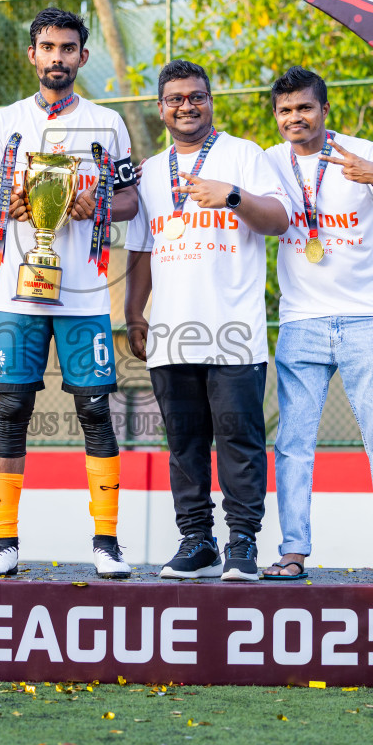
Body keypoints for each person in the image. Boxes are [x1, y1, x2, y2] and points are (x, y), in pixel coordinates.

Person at [0, 7, 138, 578]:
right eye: (47, 47)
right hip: (19, 293)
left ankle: (106, 542)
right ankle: (4, 544)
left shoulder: (108, 123)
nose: (57, 57)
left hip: (86, 296)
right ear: (32, 55)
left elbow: (130, 202)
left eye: (68, 48)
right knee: (11, 410)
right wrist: (7, 204)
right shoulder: (5, 121)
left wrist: (99, 209)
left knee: (95, 412)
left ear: (83, 57)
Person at [263, 65, 373, 580]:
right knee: (292, 445)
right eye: (286, 110)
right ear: (276, 116)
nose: (296, 117)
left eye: (305, 108)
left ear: (325, 110)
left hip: (368, 319)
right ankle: (292, 553)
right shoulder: (268, 163)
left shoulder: (362, 153)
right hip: (300, 323)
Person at [124, 58, 290, 581]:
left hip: (234, 332)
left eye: (196, 96)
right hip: (172, 334)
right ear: (161, 109)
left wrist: (233, 195)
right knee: (184, 444)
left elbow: (281, 220)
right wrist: (133, 312)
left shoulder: (244, 155)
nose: (186, 106)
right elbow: (143, 249)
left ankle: (241, 544)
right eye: (175, 99)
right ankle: (196, 541)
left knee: (240, 441)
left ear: (210, 100)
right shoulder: (151, 171)